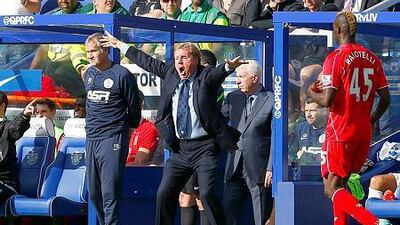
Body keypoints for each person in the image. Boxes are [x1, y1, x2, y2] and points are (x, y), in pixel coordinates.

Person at [101, 32, 244, 225]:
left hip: (205, 148)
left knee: (208, 193)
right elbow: (147, 61)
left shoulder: (205, 76)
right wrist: (120, 45)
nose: (179, 62)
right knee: (164, 193)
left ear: (194, 60)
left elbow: (218, 72)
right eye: (177, 58)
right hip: (181, 149)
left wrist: (228, 67)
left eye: (184, 58)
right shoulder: (170, 73)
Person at [307, 11, 391, 225]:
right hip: (362, 132)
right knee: (341, 185)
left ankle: (373, 222)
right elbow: (385, 98)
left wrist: (309, 92)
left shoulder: (335, 58)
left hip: (340, 131)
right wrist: (371, 119)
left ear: (338, 30)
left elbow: (326, 100)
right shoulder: (372, 58)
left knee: (330, 188)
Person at [83, 33, 141, 225]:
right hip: (91, 137)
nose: (90, 55)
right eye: (88, 52)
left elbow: (133, 106)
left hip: (112, 136)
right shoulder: (89, 73)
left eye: (94, 51)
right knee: (93, 192)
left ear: (105, 50)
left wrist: (128, 128)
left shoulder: (121, 74)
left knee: (110, 191)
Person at [221, 60, 273, 225]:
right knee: (229, 213)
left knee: (261, 216)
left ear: (255, 78)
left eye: (241, 77)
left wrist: (271, 168)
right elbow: (217, 123)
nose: (237, 81)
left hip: (259, 168)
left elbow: (276, 137)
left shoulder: (271, 99)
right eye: (237, 76)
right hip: (234, 165)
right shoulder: (232, 97)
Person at [178, 49, 222, 225]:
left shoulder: (210, 86)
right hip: (185, 149)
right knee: (185, 197)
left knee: (200, 198)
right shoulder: (187, 83)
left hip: (204, 148)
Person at [29, 0, 87, 97]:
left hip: (74, 71)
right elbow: (44, 48)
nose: (63, 0)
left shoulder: (88, 16)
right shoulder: (53, 17)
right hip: (52, 70)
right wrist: (30, 73)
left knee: (59, 70)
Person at [0, 93, 35, 202]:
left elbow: (15, 128)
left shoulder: (6, 127)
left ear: (2, 106)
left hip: (5, 184)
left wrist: (24, 115)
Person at [126, 90, 160, 166]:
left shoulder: (148, 129)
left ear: (141, 105)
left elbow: (139, 163)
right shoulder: (115, 128)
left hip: (133, 175)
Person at [289, 98, 327, 165]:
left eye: (312, 110)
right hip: (303, 173)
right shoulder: (300, 128)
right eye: (306, 111)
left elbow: (330, 160)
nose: (308, 115)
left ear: (324, 111)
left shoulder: (332, 130)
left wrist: (304, 156)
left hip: (323, 174)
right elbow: (292, 154)